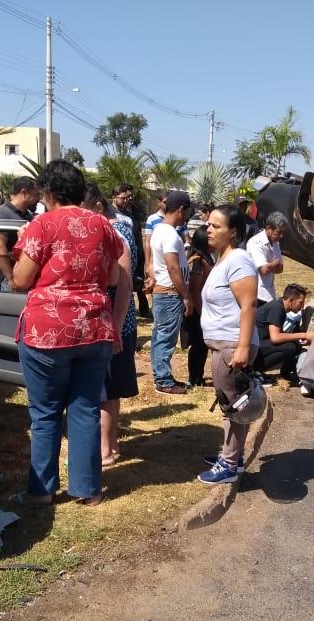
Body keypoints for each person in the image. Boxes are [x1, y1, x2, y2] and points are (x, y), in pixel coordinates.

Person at [11, 160, 128, 507]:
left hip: (47, 333)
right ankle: (88, 489)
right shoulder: (103, 226)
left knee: (45, 412)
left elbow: (20, 280)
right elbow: (110, 280)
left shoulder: (41, 225)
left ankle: (42, 491)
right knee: (85, 409)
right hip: (94, 329)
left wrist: (21, 245)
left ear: (48, 193)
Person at [198, 204, 260, 484]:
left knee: (236, 406)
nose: (208, 229)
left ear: (232, 232)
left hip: (233, 345)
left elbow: (248, 305)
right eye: (209, 224)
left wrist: (243, 348)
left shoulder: (238, 260)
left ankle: (230, 465)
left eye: (216, 226)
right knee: (229, 404)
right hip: (223, 344)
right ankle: (229, 453)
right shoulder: (223, 259)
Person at [83, 184, 139, 465]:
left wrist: (115, 328)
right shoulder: (114, 229)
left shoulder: (113, 233)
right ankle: (112, 443)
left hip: (115, 322)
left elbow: (124, 285)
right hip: (116, 322)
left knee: (106, 390)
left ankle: (105, 448)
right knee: (111, 389)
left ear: (97, 207)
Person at [149, 190, 193, 394]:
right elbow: (173, 267)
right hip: (170, 293)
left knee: (161, 335)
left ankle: (162, 375)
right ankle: (164, 380)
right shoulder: (169, 234)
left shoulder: (159, 229)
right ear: (181, 209)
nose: (187, 216)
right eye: (187, 211)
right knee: (166, 337)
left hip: (165, 292)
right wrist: (185, 295)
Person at [254, 284, 314, 383]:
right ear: (291, 300)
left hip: (259, 343)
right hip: (256, 346)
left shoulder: (278, 306)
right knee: (291, 347)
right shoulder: (277, 308)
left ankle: (286, 373)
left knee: (295, 344)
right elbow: (275, 337)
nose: (302, 306)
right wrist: (303, 335)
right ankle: (254, 370)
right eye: (301, 302)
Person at [0, 176, 41, 291]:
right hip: (7, 282)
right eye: (36, 194)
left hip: (23, 277)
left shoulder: (27, 215)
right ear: (24, 192)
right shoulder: (2, 214)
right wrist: (10, 279)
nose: (38, 199)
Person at [111, 183, 151, 319]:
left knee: (136, 284)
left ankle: (139, 310)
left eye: (129, 197)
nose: (127, 200)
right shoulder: (110, 213)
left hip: (135, 254)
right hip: (119, 256)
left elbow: (137, 233)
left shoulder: (130, 214)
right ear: (114, 197)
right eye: (123, 198)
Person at [184, 225, 214, 387]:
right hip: (199, 310)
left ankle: (198, 376)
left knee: (202, 346)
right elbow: (195, 290)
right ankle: (194, 377)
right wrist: (202, 312)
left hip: (203, 308)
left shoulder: (206, 257)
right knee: (198, 345)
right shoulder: (198, 261)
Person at [247, 211, 288, 304]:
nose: (281, 236)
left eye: (283, 232)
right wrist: (274, 264)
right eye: (278, 232)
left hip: (269, 293)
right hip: (257, 294)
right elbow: (264, 269)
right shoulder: (255, 243)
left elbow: (280, 268)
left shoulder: (275, 243)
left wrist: (271, 265)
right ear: (268, 228)